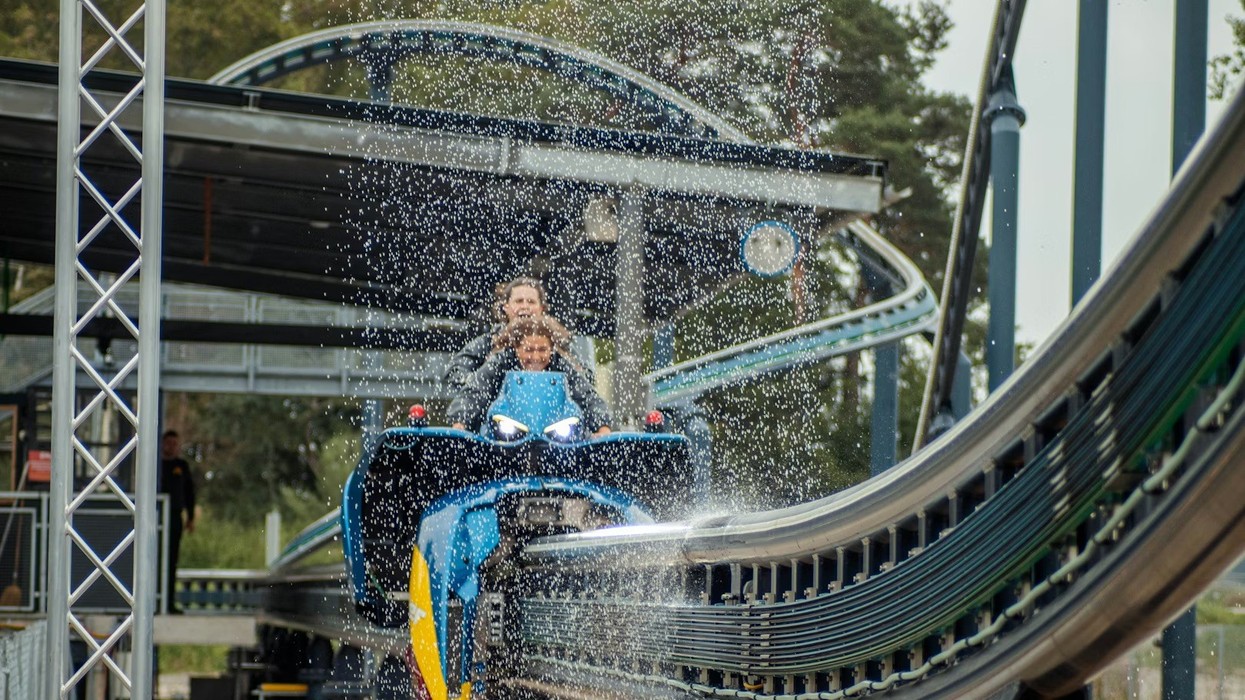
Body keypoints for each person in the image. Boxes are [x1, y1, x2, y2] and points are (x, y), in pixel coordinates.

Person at [448, 315, 612, 437]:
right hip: (506, 430)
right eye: (528, 350)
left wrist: (603, 426)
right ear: (516, 348)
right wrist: (460, 421)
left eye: (542, 350)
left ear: (551, 349)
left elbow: (586, 395)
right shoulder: (500, 362)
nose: (535, 357)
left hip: (554, 431)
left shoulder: (562, 365)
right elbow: (475, 390)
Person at [443, 276, 593, 393]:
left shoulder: (559, 341)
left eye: (531, 302)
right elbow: (455, 371)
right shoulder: (488, 341)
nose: (525, 307)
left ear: (542, 308)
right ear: (506, 307)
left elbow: (586, 377)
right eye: (519, 301)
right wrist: (479, 384)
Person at [159, 430, 196, 613]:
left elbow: (190, 493)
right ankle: (154, 601)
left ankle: (169, 602)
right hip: (156, 517)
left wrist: (190, 517)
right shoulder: (156, 465)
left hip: (174, 518)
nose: (171, 447)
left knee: (171, 560)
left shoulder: (182, 466)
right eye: (168, 443)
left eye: (175, 444)